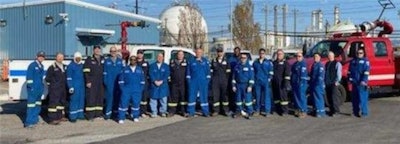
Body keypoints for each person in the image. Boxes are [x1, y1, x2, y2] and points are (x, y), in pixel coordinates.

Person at [117, 55, 145, 123]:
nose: (133, 61)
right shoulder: (125, 69)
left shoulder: (139, 69)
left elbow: (142, 81)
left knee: (136, 103)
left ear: (136, 61)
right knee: (123, 103)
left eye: (134, 60)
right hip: (126, 90)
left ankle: (135, 116)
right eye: (131, 60)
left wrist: (140, 89)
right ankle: (121, 118)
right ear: (130, 61)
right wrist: (123, 89)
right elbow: (121, 80)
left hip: (136, 90)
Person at [186, 48, 211, 117]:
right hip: (193, 82)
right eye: (197, 52)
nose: (199, 54)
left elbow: (208, 72)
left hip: (203, 82)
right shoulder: (191, 61)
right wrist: (189, 82)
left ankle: (205, 112)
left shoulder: (205, 61)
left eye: (200, 52)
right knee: (192, 97)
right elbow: (188, 73)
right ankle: (191, 112)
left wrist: (207, 81)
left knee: (204, 97)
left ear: (202, 53)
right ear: (195, 53)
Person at [24, 51, 46, 128]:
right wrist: (31, 87)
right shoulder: (32, 65)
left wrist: (42, 88)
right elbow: (29, 77)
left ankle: (35, 120)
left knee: (37, 105)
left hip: (39, 89)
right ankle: (29, 123)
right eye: (40, 56)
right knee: (31, 105)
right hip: (33, 89)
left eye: (42, 56)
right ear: (36, 56)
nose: (41, 57)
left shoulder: (41, 66)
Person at [45, 52, 68, 125]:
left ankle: (60, 117)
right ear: (56, 58)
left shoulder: (65, 67)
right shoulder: (52, 67)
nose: (60, 58)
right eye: (59, 57)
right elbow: (47, 79)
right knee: (53, 104)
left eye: (61, 57)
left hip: (62, 88)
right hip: (54, 89)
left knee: (61, 103)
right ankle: (52, 119)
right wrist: (52, 87)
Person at [83, 45, 105, 121]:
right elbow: (86, 71)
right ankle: (90, 115)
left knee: (99, 98)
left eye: (98, 49)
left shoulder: (103, 59)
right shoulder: (89, 59)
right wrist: (88, 81)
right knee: (91, 98)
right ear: (93, 50)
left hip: (100, 82)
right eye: (96, 49)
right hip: (92, 82)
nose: (97, 51)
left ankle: (98, 114)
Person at [103, 46, 124, 120]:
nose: (113, 53)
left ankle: (115, 113)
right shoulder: (107, 61)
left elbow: (122, 72)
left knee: (117, 98)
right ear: (110, 52)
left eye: (114, 51)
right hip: (110, 83)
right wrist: (105, 81)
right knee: (109, 98)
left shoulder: (120, 61)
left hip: (118, 83)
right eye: (112, 51)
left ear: (116, 52)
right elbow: (105, 72)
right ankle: (108, 114)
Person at [348, 48, 370, 118]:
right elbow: (349, 71)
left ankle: (364, 113)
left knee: (363, 98)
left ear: (363, 54)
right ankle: (355, 112)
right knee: (354, 99)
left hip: (361, 83)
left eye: (360, 53)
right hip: (354, 83)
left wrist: (364, 80)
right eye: (358, 53)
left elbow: (366, 72)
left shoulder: (365, 62)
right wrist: (350, 79)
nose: (359, 54)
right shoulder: (353, 61)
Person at [232, 53, 254, 119]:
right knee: (238, 99)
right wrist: (233, 85)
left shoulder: (250, 67)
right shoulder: (237, 67)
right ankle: (239, 111)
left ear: (247, 59)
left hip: (246, 85)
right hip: (238, 85)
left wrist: (250, 86)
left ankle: (250, 112)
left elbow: (252, 78)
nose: (243, 59)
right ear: (240, 58)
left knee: (248, 100)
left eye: (244, 58)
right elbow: (233, 77)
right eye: (242, 58)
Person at [210, 47, 231, 116]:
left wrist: (226, 80)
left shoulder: (226, 61)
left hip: (224, 81)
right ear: (217, 52)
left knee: (224, 96)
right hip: (215, 81)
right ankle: (216, 110)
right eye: (218, 52)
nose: (220, 53)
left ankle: (225, 110)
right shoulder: (213, 61)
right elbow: (211, 71)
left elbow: (228, 72)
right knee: (215, 96)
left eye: (221, 52)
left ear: (223, 52)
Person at [252, 48, 274, 117]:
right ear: (259, 54)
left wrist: (269, 78)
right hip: (257, 82)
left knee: (267, 96)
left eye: (263, 53)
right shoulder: (255, 62)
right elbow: (253, 72)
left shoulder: (268, 62)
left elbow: (271, 71)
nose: (261, 54)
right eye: (260, 53)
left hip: (265, 82)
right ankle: (257, 110)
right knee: (257, 96)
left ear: (265, 54)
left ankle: (267, 111)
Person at [149, 53, 170, 117]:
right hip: (154, 85)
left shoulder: (166, 66)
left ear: (163, 58)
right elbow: (150, 74)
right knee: (153, 99)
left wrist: (162, 81)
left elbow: (167, 74)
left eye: (161, 57)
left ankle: (163, 112)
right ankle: (154, 112)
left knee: (163, 99)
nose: (160, 58)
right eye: (158, 57)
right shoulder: (152, 66)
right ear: (156, 58)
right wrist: (154, 81)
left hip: (163, 85)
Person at [168, 50, 188, 117]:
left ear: (183, 55)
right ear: (177, 55)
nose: (180, 56)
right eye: (179, 54)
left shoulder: (186, 62)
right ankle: (172, 111)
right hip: (174, 83)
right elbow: (169, 72)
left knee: (183, 98)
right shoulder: (172, 62)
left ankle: (183, 111)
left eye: (181, 54)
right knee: (173, 98)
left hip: (183, 83)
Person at [66, 52, 85, 123]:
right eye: (76, 58)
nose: (78, 59)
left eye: (79, 58)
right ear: (74, 58)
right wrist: (70, 86)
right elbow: (69, 77)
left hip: (81, 86)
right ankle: (73, 116)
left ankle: (80, 115)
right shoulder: (71, 66)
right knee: (74, 100)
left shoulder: (82, 65)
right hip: (74, 86)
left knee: (81, 100)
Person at [272, 49, 291, 116]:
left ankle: (285, 111)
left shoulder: (286, 63)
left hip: (282, 83)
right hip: (275, 83)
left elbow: (287, 74)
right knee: (276, 98)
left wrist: (286, 82)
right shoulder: (274, 63)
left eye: (280, 54)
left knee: (283, 98)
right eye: (278, 54)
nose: (279, 55)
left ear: (283, 55)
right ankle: (278, 109)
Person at [291, 51, 308, 118]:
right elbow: (292, 73)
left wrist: (302, 82)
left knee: (301, 97)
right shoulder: (295, 64)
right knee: (296, 97)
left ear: (302, 57)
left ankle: (303, 111)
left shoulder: (303, 64)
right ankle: (298, 109)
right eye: (297, 56)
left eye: (299, 56)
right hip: (295, 82)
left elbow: (303, 74)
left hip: (301, 83)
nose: (298, 57)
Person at [325, 51, 342, 117]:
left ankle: (336, 111)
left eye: (330, 55)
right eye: (328, 55)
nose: (329, 56)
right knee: (329, 98)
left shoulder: (337, 63)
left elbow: (339, 74)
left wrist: (337, 81)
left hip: (333, 83)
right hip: (327, 83)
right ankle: (331, 111)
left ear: (333, 56)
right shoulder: (327, 63)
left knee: (334, 98)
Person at [310, 53, 326, 118]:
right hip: (313, 83)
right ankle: (316, 110)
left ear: (320, 58)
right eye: (314, 57)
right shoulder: (314, 65)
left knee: (319, 97)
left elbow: (321, 75)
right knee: (315, 98)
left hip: (318, 84)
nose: (315, 58)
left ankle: (321, 112)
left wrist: (318, 83)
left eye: (317, 57)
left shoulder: (320, 65)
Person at [136, 50, 150, 117]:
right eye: (138, 54)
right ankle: (136, 111)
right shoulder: (134, 62)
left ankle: (143, 112)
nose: (140, 55)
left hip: (144, 83)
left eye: (141, 54)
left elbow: (148, 73)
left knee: (144, 98)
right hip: (135, 83)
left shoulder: (146, 63)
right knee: (136, 97)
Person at [228, 47, 241, 113]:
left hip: (240, 79)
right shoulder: (230, 59)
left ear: (239, 51)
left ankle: (240, 108)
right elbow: (228, 69)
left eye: (238, 51)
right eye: (235, 51)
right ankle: (232, 108)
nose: (236, 52)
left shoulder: (242, 58)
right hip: (232, 78)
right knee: (232, 94)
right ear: (234, 51)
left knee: (239, 95)